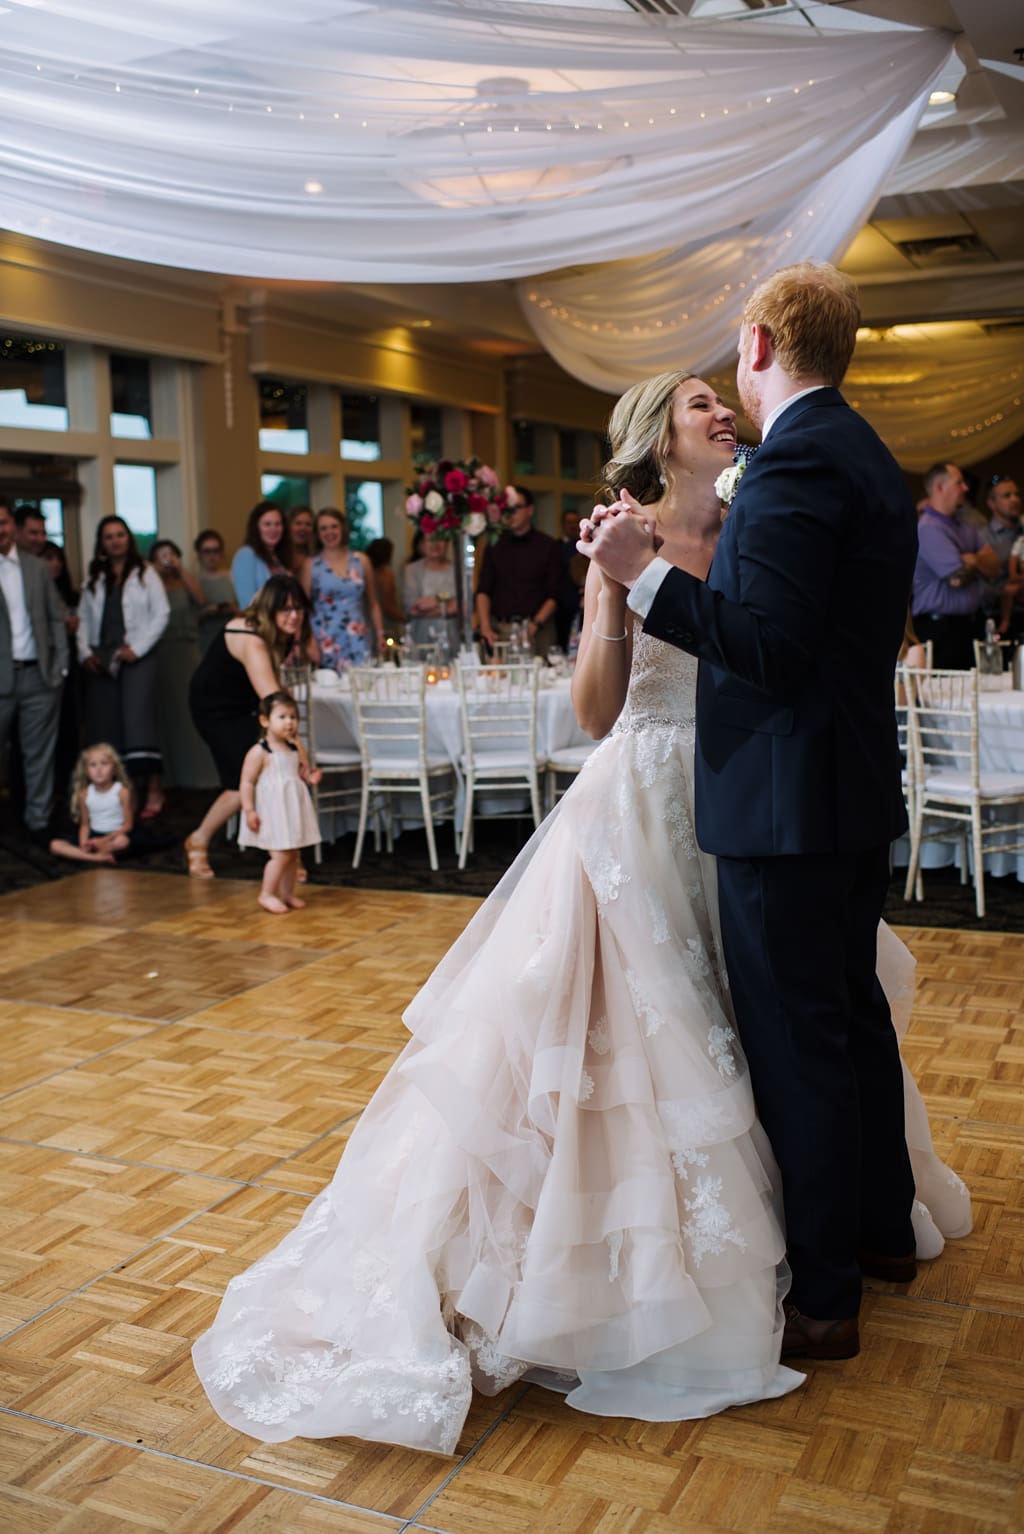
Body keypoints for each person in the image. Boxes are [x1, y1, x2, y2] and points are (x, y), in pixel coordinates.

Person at [193, 366, 969, 1453]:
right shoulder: (621, 533)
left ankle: (824, 1233)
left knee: (786, 1023)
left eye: (721, 397)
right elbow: (598, 713)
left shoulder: (762, 517)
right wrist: (610, 591)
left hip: (755, 799)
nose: (722, 412)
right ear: (660, 435)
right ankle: (646, 1265)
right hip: (648, 803)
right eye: (700, 403)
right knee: (648, 1035)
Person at [580, 262, 943, 1362]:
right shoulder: (865, 454)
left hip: (780, 805)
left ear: (754, 345)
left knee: (797, 1045)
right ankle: (881, 1230)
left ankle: (825, 1294)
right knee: (850, 1021)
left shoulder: (788, 467)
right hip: (837, 791)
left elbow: (773, 649)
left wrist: (644, 580)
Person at [184, 574, 312, 876]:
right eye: (286, 609)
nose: (294, 616)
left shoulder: (274, 631)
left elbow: (269, 686)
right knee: (245, 779)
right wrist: (300, 752)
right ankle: (199, 840)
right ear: (270, 610)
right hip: (215, 708)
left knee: (262, 775)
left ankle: (283, 854)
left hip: (245, 706)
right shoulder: (251, 638)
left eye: (298, 609)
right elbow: (276, 707)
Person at [77, 515, 169, 818]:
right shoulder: (94, 578)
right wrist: (84, 653)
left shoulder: (146, 573)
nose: (115, 540)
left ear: (128, 538)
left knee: (138, 723)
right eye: (108, 536)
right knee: (107, 726)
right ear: (101, 543)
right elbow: (82, 621)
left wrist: (138, 648)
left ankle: (154, 789)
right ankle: (117, 798)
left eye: (120, 535)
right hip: (102, 658)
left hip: (136, 655)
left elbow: (162, 614)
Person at [0, 499, 67, 840]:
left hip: (39, 675)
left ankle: (38, 823)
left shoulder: (36, 567)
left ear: (12, 524)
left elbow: (56, 618)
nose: (0, 530)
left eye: (3, 522)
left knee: (38, 755)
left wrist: (60, 668)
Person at [238, 691, 322, 914]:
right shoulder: (259, 752)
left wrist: (310, 776)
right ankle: (267, 893)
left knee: (293, 853)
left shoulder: (294, 747)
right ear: (265, 720)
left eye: (293, 717)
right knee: (280, 854)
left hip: (291, 807)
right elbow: (247, 782)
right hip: (274, 810)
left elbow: (303, 770)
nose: (289, 723)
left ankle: (287, 893)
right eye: (282, 717)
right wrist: (249, 810)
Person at [911, 463, 1000, 669]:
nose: (966, 488)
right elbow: (956, 578)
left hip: (968, 626)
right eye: (959, 483)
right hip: (940, 630)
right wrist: (978, 563)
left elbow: (995, 567)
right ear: (940, 488)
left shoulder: (964, 526)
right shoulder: (928, 528)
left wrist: (973, 560)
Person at [150, 539, 217, 790]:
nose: (166, 559)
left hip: (186, 650)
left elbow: (200, 599)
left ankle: (199, 774)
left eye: (171, 554)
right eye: (161, 556)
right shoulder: (151, 583)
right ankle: (170, 775)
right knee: (164, 714)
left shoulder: (185, 580)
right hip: (160, 653)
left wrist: (180, 569)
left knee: (191, 711)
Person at [475, 487, 561, 658]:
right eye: (506, 509)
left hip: (538, 628)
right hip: (500, 629)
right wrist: (485, 626)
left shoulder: (548, 546)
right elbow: (483, 590)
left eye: (516, 508)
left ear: (530, 510)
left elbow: (555, 594)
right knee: (498, 680)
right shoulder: (494, 545)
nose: (510, 514)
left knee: (542, 679)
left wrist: (534, 624)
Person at [300, 507, 382, 670]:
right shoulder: (311, 565)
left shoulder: (362, 560)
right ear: (317, 533)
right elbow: (303, 607)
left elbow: (373, 603)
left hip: (358, 635)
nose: (329, 532)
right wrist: (309, 641)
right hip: (325, 637)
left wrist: (380, 634)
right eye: (323, 528)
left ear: (342, 528)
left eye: (334, 526)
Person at [48, 742, 135, 864]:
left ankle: (89, 854)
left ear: (114, 768)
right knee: (55, 845)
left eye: (104, 764)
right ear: (87, 771)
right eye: (93, 765)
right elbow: (85, 825)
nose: (98, 769)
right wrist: (84, 842)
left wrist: (104, 840)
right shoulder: (84, 794)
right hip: (92, 835)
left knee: (123, 842)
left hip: (114, 835)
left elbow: (128, 825)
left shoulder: (122, 791)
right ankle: (97, 857)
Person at [401, 532, 460, 653]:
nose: (435, 544)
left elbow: (461, 606)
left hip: (451, 636)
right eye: (430, 540)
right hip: (421, 637)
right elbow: (413, 608)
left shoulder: (456, 570)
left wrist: (436, 599)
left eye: (440, 540)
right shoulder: (411, 570)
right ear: (422, 544)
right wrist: (448, 605)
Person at [231, 501, 291, 607]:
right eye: (267, 524)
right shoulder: (246, 555)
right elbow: (247, 603)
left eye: (278, 524)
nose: (273, 529)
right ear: (256, 527)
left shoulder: (279, 558)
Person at [193, 529, 239, 653]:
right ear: (199, 554)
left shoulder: (232, 576)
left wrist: (231, 608)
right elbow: (188, 620)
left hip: (231, 637)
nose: (212, 556)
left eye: (216, 550)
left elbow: (245, 609)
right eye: (207, 551)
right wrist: (207, 611)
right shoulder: (194, 581)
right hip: (203, 641)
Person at [555, 507, 587, 651]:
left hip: (583, 606)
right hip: (563, 608)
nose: (573, 525)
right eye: (569, 522)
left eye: (575, 522)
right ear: (562, 525)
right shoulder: (556, 548)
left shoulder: (586, 546)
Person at [366, 537, 405, 643]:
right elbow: (388, 606)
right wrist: (406, 618)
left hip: (369, 622)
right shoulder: (386, 575)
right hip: (385, 624)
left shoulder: (366, 573)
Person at [288, 505, 316, 570]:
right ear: (289, 526)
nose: (303, 528)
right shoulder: (278, 555)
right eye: (298, 523)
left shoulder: (318, 556)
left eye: (308, 524)